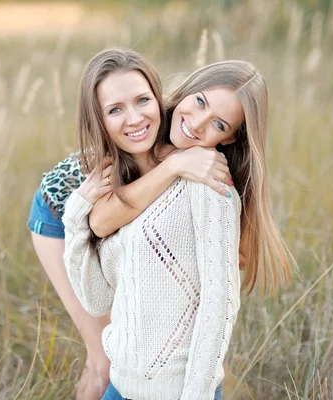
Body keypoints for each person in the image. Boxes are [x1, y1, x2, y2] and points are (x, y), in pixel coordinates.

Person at [62, 49, 294, 399]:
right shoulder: (117, 168)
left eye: (219, 124)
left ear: (230, 137)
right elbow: (96, 296)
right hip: (120, 388)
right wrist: (77, 210)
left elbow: (219, 306)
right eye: (199, 102)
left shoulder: (208, 181)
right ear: (184, 92)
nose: (199, 123)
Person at [28, 50, 235, 399]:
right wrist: (173, 167)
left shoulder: (185, 134)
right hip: (58, 210)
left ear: (157, 97)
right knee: (102, 364)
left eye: (143, 100)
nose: (135, 117)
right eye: (114, 109)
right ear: (100, 118)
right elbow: (99, 221)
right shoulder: (109, 166)